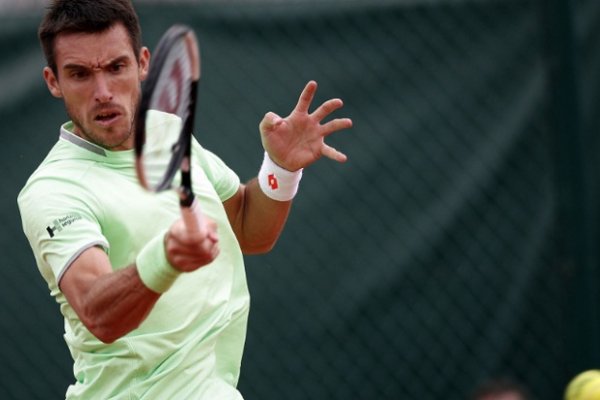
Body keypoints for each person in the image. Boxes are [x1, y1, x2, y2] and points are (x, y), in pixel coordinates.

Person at [17, 0, 352, 398]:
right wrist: (167, 258)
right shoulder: (53, 189)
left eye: (115, 67)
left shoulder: (169, 132)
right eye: (79, 74)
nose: (102, 92)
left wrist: (280, 168)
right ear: (53, 81)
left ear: (143, 63)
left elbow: (248, 229)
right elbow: (96, 311)